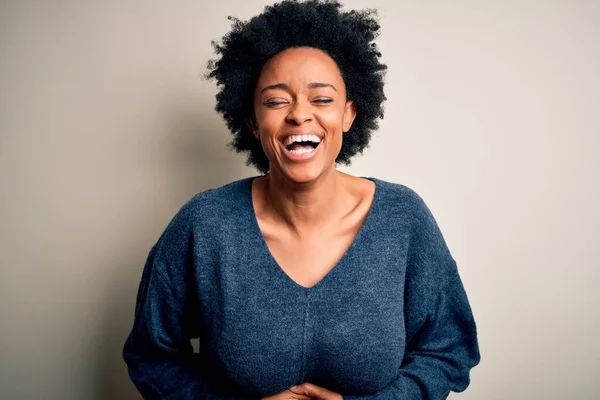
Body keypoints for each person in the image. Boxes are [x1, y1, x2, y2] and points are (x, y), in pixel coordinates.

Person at [122, 0, 480, 399]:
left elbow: (448, 350)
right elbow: (151, 355)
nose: (299, 115)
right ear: (253, 123)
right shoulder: (203, 225)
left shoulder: (403, 219)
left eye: (321, 99)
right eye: (276, 101)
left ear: (348, 114)